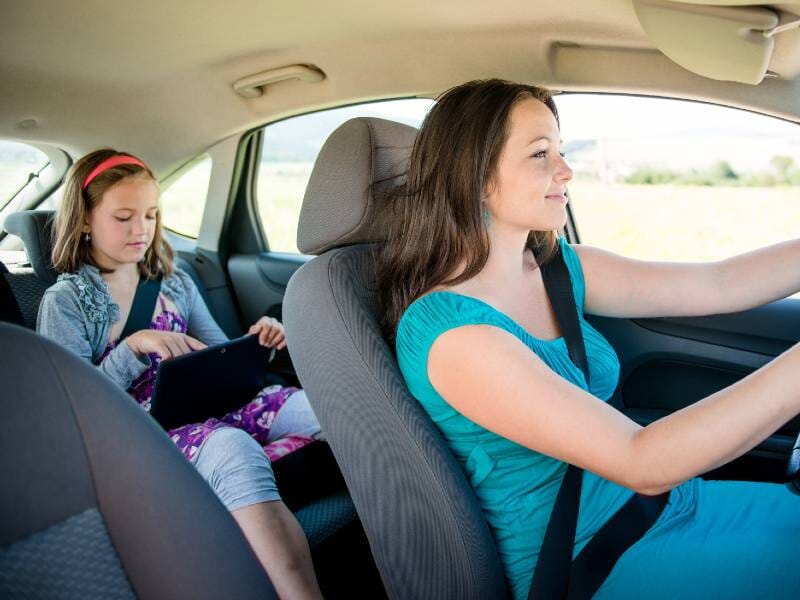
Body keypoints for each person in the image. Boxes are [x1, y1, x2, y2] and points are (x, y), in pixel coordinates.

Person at [378, 79, 800, 599]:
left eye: (561, 150)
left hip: (670, 504)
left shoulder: (558, 269)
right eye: (540, 154)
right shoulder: (452, 334)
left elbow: (718, 282)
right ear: (475, 177)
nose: (565, 170)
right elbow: (640, 459)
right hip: (594, 559)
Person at [37, 149, 324, 600]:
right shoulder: (67, 301)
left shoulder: (174, 281)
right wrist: (134, 347)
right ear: (86, 220)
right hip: (143, 432)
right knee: (232, 447)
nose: (142, 230)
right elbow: (73, 412)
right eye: (124, 217)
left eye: (151, 215)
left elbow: (216, 353)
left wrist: (257, 344)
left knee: (324, 409)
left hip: (210, 405)